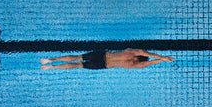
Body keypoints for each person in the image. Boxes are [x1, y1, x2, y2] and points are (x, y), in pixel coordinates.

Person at [40, 49, 175, 70]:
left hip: (103, 55)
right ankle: (52, 67)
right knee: (78, 65)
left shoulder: (130, 51)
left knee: (77, 57)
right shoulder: (134, 64)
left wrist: (162, 57)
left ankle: (50, 59)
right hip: (104, 64)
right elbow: (150, 62)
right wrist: (163, 60)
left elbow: (147, 53)